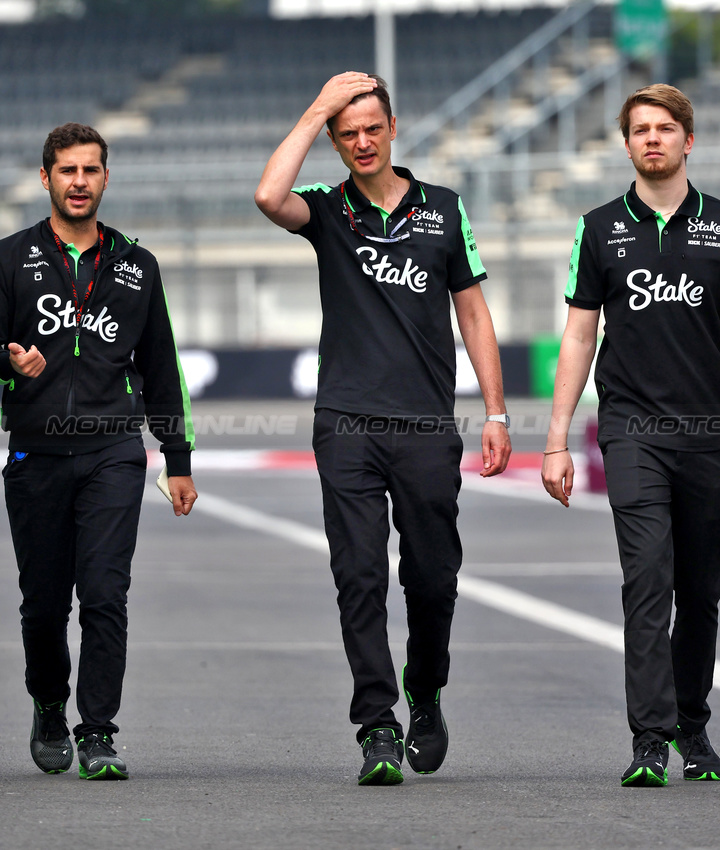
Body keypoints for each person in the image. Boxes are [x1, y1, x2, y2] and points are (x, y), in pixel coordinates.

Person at [255, 73, 511, 786]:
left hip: (427, 424)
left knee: (432, 579)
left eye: (371, 128)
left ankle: (423, 687)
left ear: (393, 128)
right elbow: (266, 197)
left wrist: (494, 412)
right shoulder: (326, 212)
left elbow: (473, 314)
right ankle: (376, 723)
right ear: (334, 141)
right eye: (346, 133)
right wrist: (313, 108)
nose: (361, 142)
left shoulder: (444, 210)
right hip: (345, 424)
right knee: (358, 574)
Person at [540, 84, 720, 787]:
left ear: (687, 140)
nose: (651, 139)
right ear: (627, 142)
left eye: (664, 128)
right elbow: (579, 335)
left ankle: (691, 728)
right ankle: (647, 738)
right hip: (631, 428)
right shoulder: (598, 226)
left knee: (698, 589)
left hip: (708, 432)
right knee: (646, 579)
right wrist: (554, 440)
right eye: (639, 129)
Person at [0, 122, 197, 781]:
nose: (78, 181)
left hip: (113, 453)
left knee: (104, 593)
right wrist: (9, 360)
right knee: (44, 602)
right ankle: (49, 705)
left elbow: (162, 366)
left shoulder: (137, 264)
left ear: (105, 178)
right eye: (66, 170)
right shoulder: (8, 258)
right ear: (46, 178)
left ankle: (97, 731)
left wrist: (176, 456)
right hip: (35, 455)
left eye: (90, 170)